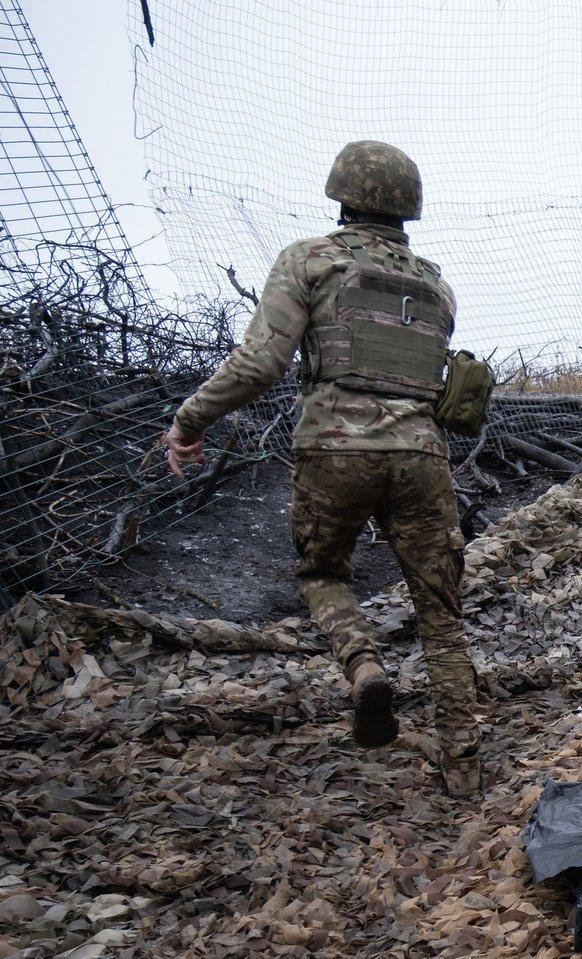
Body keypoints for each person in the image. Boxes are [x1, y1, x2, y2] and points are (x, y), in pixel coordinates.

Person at [163, 140, 481, 796]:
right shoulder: (437, 286)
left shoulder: (309, 260)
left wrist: (190, 420)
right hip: (422, 458)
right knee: (440, 610)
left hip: (334, 451)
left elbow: (260, 364)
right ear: (408, 207)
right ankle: (464, 766)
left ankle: (364, 668)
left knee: (323, 572)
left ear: (342, 196)